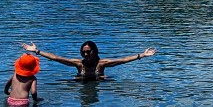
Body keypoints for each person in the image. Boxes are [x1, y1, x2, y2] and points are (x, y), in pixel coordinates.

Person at [21, 40, 157, 80]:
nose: (85, 54)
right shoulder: (79, 64)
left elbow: (122, 60)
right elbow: (57, 58)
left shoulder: (102, 64)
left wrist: (142, 55)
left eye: (88, 52)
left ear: (94, 52)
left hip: (99, 82)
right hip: (81, 83)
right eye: (83, 52)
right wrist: (37, 51)